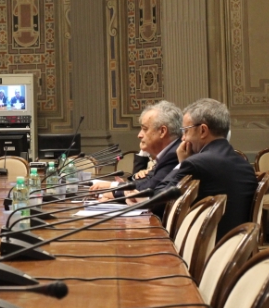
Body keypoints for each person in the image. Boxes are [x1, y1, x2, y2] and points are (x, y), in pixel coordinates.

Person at [155, 98, 257, 240]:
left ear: (203, 130)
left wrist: (181, 164)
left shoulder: (196, 164)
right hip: (238, 245)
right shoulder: (244, 164)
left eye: (185, 131)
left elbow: (157, 202)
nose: (183, 139)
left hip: (204, 246)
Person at [90, 101, 182, 216]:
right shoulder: (169, 152)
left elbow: (149, 188)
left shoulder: (174, 154)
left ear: (162, 131)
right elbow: (144, 183)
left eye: (145, 129)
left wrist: (112, 190)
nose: (139, 135)